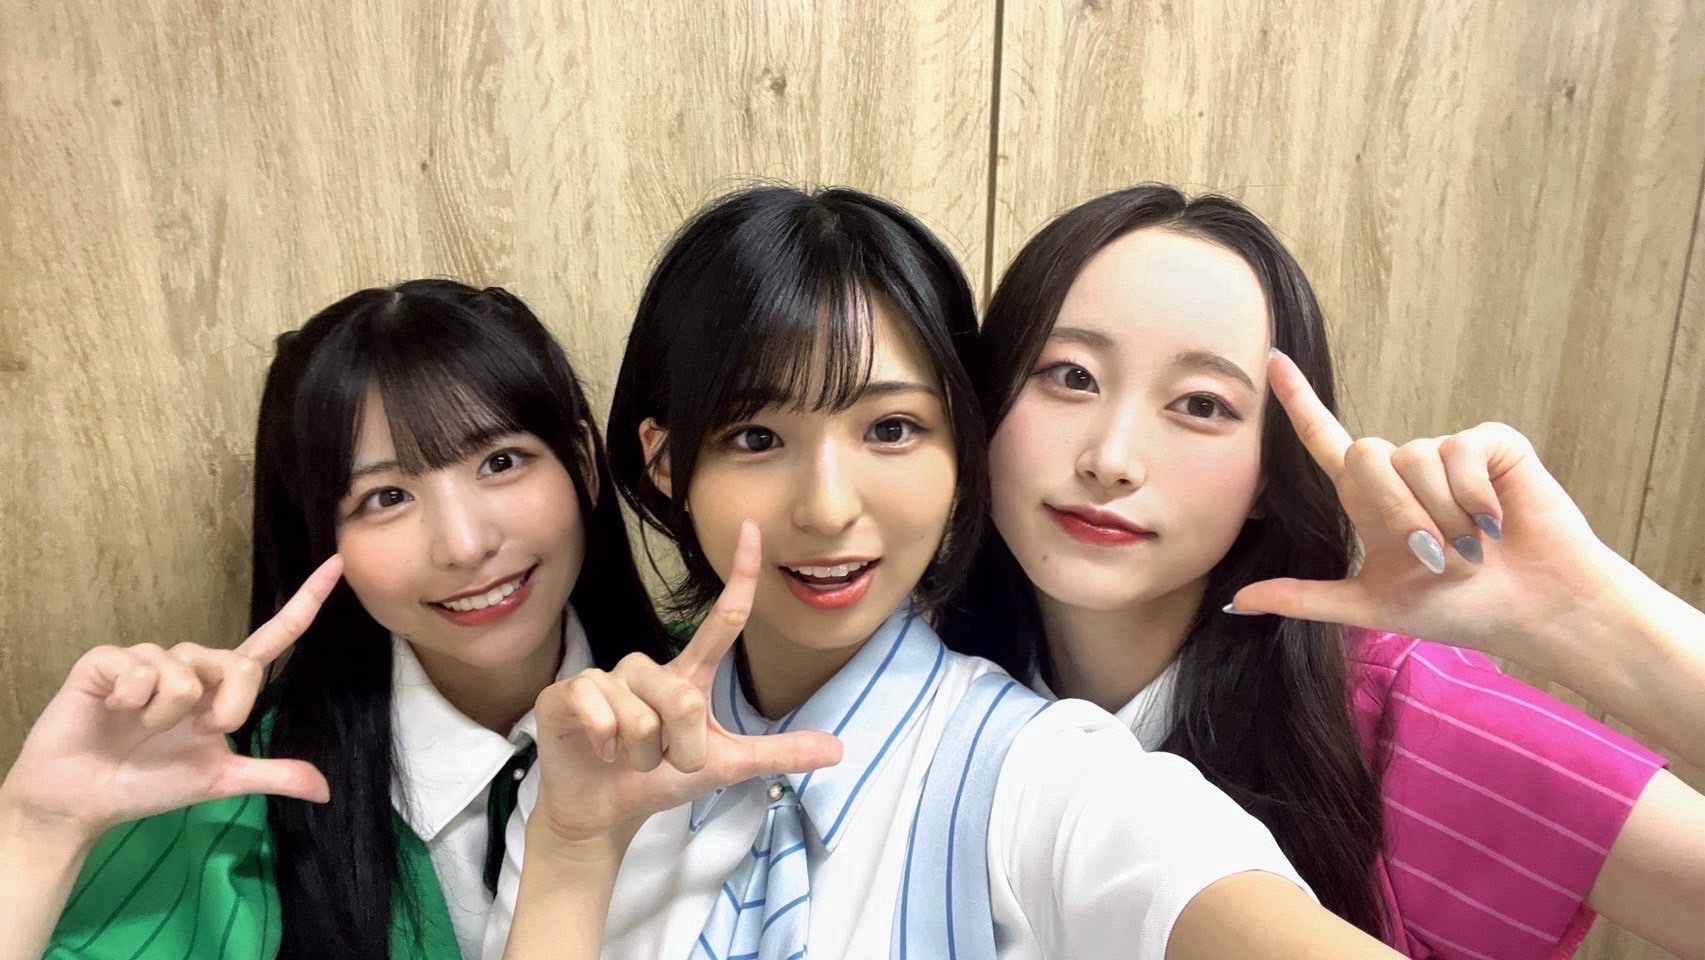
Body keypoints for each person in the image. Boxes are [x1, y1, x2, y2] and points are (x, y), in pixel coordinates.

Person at [499, 185, 1409, 959]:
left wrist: (1520, 627)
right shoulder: (586, 771)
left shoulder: (1047, 776)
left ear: (964, 447)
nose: (826, 508)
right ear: (666, 463)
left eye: (891, 429)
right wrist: (573, 851)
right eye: (756, 437)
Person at [942, 183, 1705, 959]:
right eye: (1070, 376)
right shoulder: (918, 687)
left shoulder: (1404, 717)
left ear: (1267, 478)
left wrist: (1581, 614)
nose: (1110, 459)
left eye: (1200, 405)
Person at [0, 280, 669, 960]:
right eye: (386, 497)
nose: (465, 546)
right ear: (320, 538)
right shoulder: (238, 789)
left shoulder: (715, 712)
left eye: (500, 462)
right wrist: (37, 827)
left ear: (582, 463)